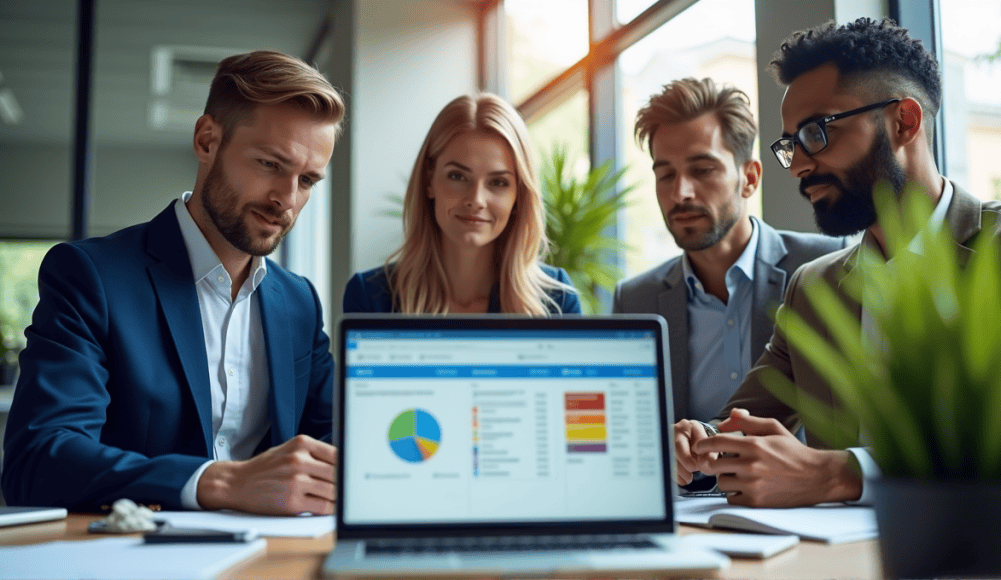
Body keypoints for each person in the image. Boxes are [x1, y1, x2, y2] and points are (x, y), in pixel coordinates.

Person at [674, 18, 1001, 507]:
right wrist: (698, 449)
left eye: (816, 132)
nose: (797, 164)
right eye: (790, 143)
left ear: (904, 121)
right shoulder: (813, 287)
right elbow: (737, 430)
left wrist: (842, 473)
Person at [1, 51, 345, 515]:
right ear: (207, 140)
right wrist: (219, 483)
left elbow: (334, 445)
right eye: (269, 164)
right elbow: (37, 459)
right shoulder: (91, 276)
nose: (286, 199)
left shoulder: (299, 302)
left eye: (307, 180)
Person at [614, 79, 844, 458]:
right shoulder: (636, 299)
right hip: (688, 509)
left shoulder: (824, 268)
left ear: (749, 178)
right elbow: (628, 435)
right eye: (665, 174)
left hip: (800, 508)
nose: (680, 193)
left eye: (702, 170)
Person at [343, 94, 579, 315]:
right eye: (457, 176)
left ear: (519, 195)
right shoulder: (370, 297)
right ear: (429, 180)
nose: (476, 200)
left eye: (498, 182)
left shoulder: (557, 300)